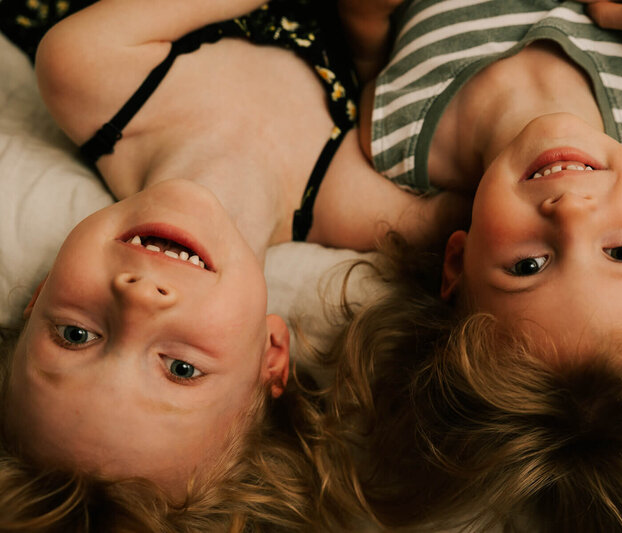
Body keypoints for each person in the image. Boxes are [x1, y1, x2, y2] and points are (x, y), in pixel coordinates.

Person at [316, 0, 622, 531]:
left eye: (528, 265)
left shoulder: (395, 135)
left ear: (457, 261)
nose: (571, 213)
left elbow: (367, 38)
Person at [0, 0, 418, 528]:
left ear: (38, 297)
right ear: (270, 355)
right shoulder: (364, 207)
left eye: (76, 335)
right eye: (180, 369)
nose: (137, 301)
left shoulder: (86, 70)